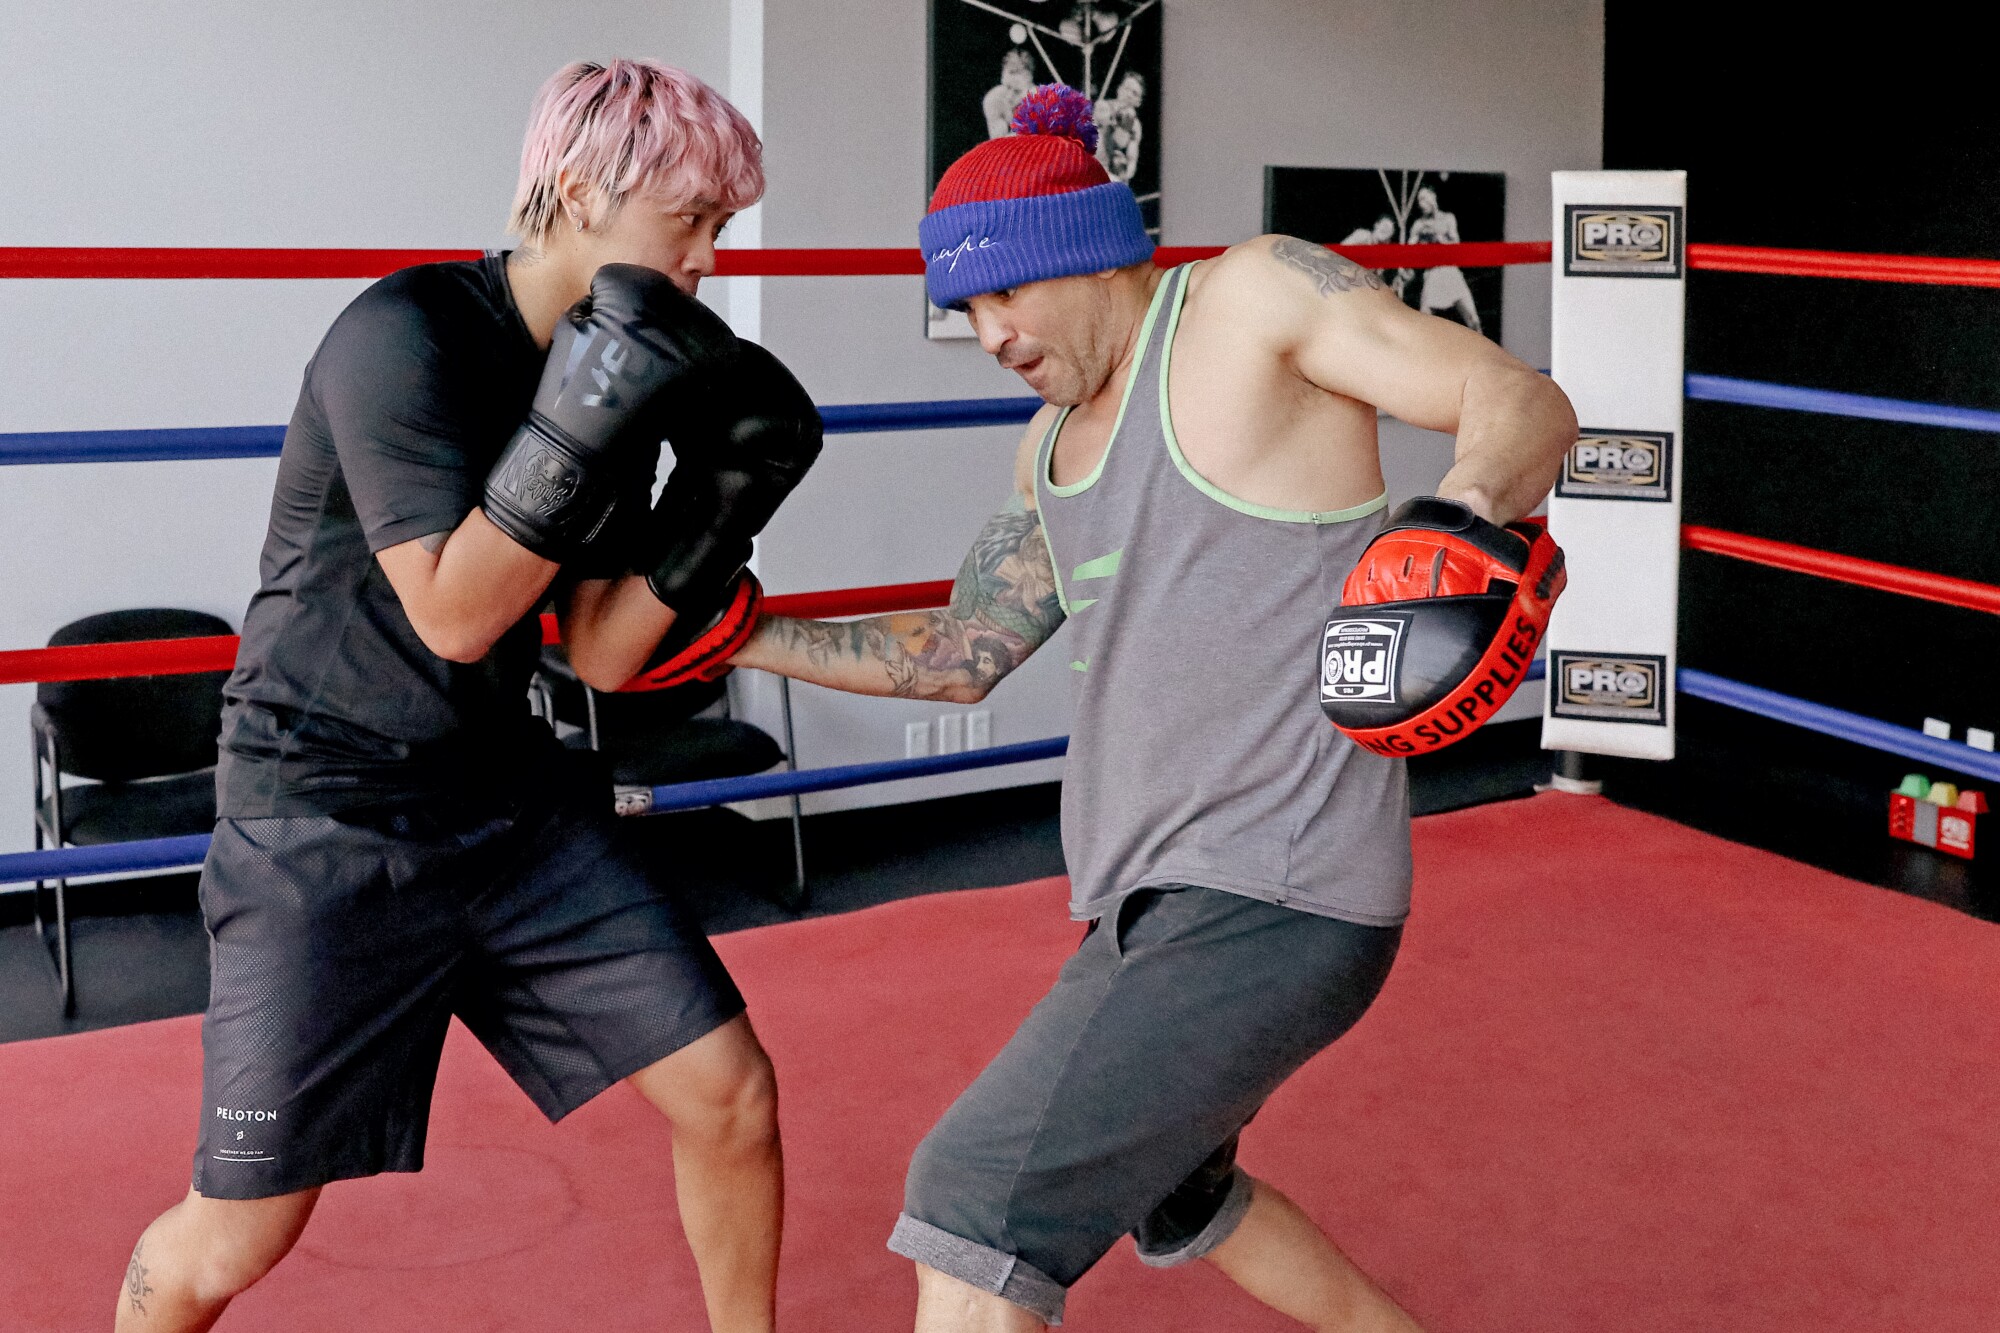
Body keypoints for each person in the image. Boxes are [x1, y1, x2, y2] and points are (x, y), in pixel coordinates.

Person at [724, 85, 1575, 1330]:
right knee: (1179, 1193)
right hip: (1144, 894)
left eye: (1004, 292)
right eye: (964, 307)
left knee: (967, 1204)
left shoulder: (1250, 299)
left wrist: (1461, 511)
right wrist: (739, 634)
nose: (987, 330)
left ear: (1084, 252)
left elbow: (1519, 401)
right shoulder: (1049, 446)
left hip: (1270, 887)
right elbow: (962, 653)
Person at [114, 59, 820, 1333]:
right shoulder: (403, 338)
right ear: (577, 191)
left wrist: (720, 500)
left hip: (501, 800)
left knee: (731, 1093)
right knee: (237, 1234)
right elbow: (454, 610)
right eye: (693, 220)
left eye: (724, 224)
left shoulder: (621, 369)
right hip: (321, 814)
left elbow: (602, 652)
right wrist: (584, 424)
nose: (713, 257)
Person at [1409, 185, 1483, 333]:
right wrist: (1419, 243)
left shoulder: (1448, 218)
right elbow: (1408, 250)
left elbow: (1457, 245)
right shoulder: (1418, 224)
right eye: (1419, 201)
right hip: (1432, 272)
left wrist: (1439, 238)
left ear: (1433, 196)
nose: (1421, 203)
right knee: (1425, 319)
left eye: (1424, 198)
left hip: (1450, 270)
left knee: (1473, 319)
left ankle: (1485, 353)